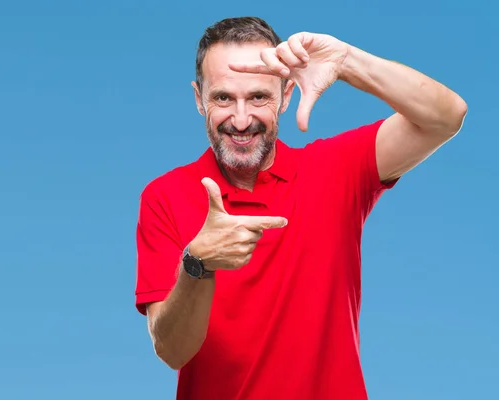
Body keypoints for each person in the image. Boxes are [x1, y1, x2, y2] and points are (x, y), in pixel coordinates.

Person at [134, 16, 467, 400]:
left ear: (286, 95)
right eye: (223, 98)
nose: (241, 120)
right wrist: (197, 264)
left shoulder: (336, 169)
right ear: (198, 99)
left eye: (259, 96)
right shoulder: (164, 196)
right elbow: (171, 351)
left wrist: (346, 62)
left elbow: (446, 117)